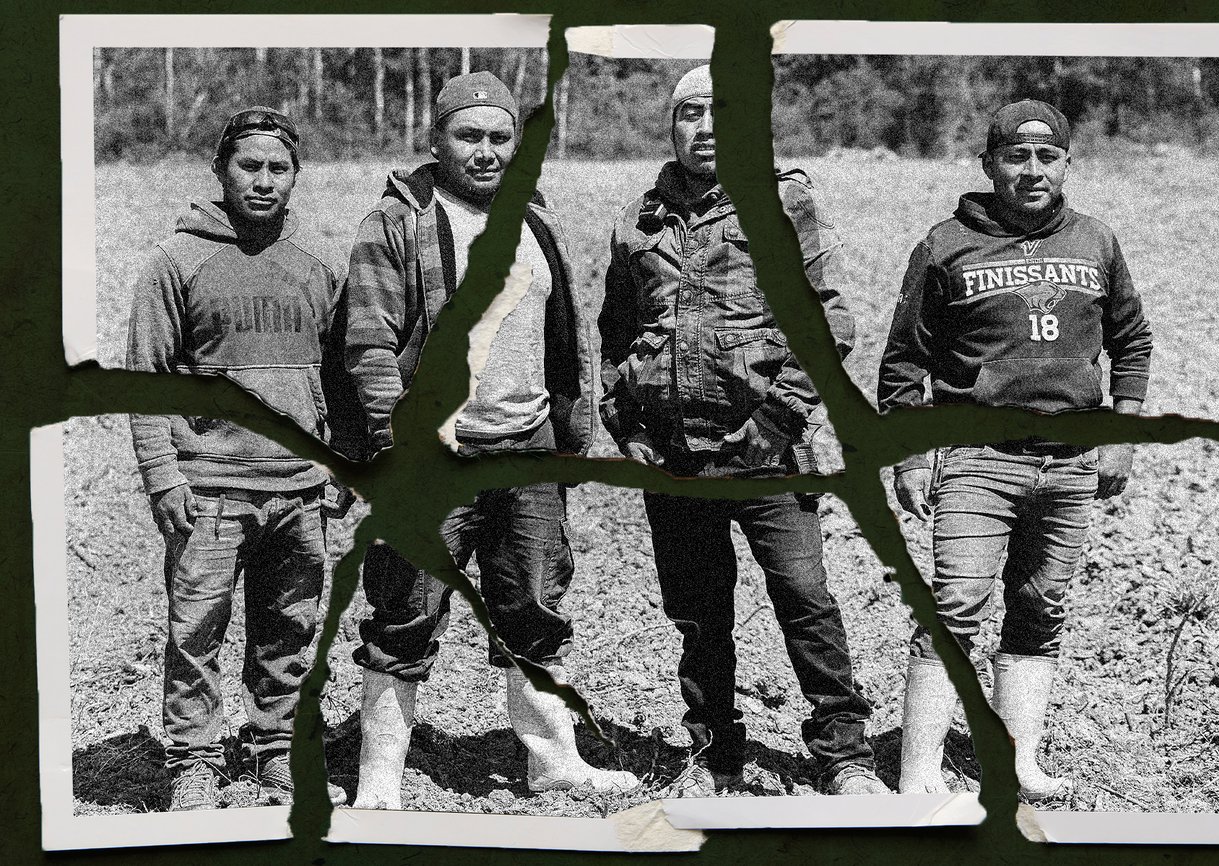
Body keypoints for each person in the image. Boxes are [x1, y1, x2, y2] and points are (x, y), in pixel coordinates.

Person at [338, 71, 637, 809]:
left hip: (528, 449)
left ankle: (551, 762)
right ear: (436, 139)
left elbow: (564, 337)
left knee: (534, 608)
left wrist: (570, 431)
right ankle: (379, 779)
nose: (485, 151)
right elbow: (369, 347)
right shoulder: (398, 222)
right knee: (406, 610)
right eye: (468, 135)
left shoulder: (534, 221)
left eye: (500, 137)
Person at [599, 65, 889, 798]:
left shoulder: (783, 201)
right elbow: (615, 329)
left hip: (766, 449)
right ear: (672, 125)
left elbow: (829, 320)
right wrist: (623, 420)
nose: (707, 128)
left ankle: (843, 753)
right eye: (691, 113)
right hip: (673, 455)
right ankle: (715, 754)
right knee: (699, 614)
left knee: (804, 596)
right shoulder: (640, 217)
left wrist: (779, 417)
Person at [878, 99, 1153, 800]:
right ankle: (917, 776)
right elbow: (905, 361)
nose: (1033, 171)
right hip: (977, 460)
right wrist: (910, 457)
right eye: (1016, 157)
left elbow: (1132, 341)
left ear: (1066, 162)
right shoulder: (946, 245)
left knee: (1040, 606)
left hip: (1069, 462)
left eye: (1048, 156)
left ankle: (1020, 764)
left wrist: (1120, 432)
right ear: (990, 164)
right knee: (957, 604)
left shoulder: (1096, 241)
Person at [127, 107, 352, 810]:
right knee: (194, 630)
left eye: (277, 168)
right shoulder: (176, 261)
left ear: (296, 175)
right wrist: (163, 476)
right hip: (210, 489)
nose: (263, 181)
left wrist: (341, 463)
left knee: (289, 628)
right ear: (220, 171)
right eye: (248, 166)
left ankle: (274, 750)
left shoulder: (320, 261)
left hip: (299, 489)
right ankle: (192, 761)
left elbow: (342, 378)